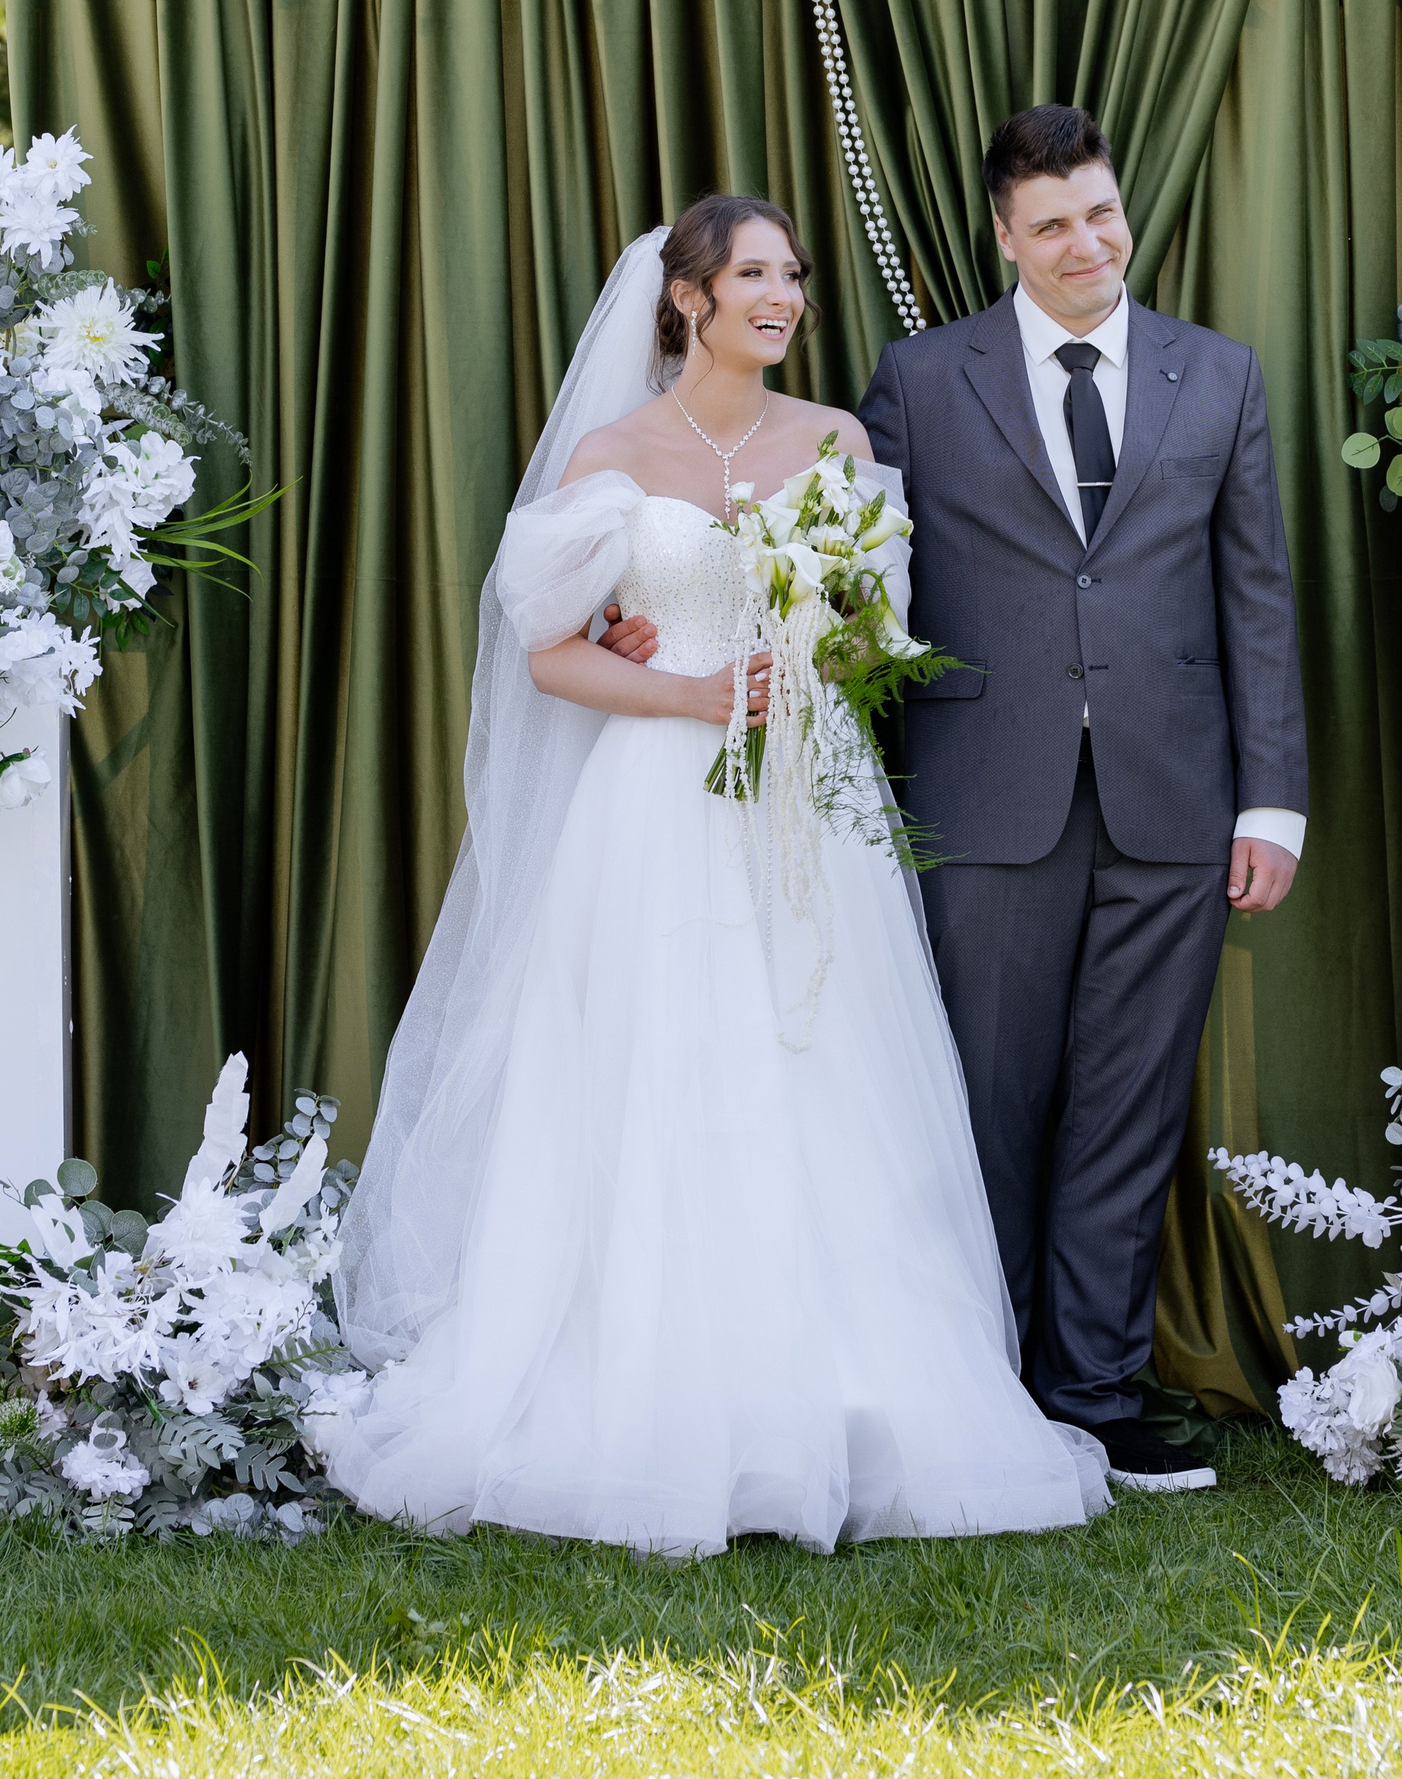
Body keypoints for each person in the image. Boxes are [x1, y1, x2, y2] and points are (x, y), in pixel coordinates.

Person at [326, 194, 1107, 1555]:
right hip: (655, 805)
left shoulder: (837, 440)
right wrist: (689, 692)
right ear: (688, 299)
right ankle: (649, 1393)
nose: (783, 296)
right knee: (659, 1072)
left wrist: (823, 646)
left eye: (792, 276)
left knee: (826, 1070)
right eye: (755, 275)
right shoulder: (612, 455)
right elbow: (549, 655)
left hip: (809, 797)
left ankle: (848, 1396)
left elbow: (873, 635)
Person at [857, 105, 1308, 1493]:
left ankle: (1099, 1397)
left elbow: (1256, 594)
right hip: (985, 798)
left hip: (1178, 805)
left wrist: (1272, 802)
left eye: (1099, 213)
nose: (1084, 244)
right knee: (984, 1108)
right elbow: (858, 586)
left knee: (1129, 1108)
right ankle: (979, 1389)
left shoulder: (1217, 374)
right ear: (1005, 236)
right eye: (1050, 224)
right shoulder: (920, 380)